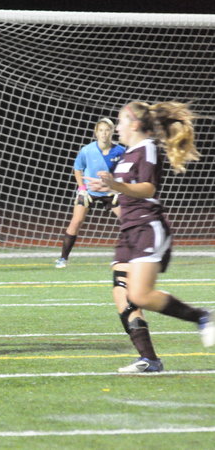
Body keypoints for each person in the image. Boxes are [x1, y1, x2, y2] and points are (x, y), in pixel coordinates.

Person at [85, 101, 214, 372]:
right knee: (122, 295)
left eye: (120, 121)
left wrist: (115, 184)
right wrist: (108, 188)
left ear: (134, 124)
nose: (117, 127)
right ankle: (149, 360)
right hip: (129, 230)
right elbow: (126, 191)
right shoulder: (128, 154)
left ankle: (202, 316)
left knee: (140, 295)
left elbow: (147, 188)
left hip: (147, 228)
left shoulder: (148, 148)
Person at [56, 118, 125, 268]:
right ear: (96, 132)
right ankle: (63, 259)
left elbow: (125, 172)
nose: (104, 133)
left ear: (112, 132)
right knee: (76, 221)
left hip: (110, 191)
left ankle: (128, 256)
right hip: (89, 191)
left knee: (128, 221)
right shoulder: (87, 150)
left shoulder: (120, 151)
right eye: (101, 130)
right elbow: (77, 169)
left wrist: (118, 189)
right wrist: (82, 189)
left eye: (107, 130)